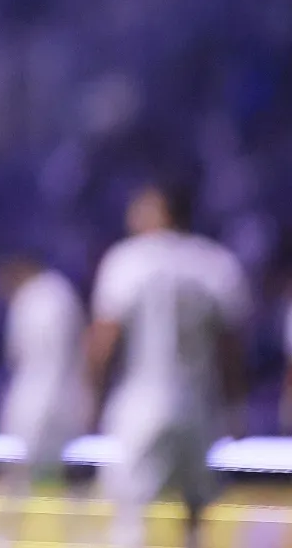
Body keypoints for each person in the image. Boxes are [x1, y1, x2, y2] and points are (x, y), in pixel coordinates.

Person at [88, 183, 249, 548]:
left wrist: (93, 397)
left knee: (130, 516)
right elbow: (230, 349)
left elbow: (104, 340)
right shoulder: (215, 262)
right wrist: (236, 406)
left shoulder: (128, 259)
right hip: (199, 404)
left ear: (162, 211)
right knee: (194, 518)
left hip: (142, 400)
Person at [0, 252, 89, 546]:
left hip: (31, 395)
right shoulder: (63, 292)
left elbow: (17, 354)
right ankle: (78, 536)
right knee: (71, 472)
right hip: (69, 395)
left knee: (14, 472)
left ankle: (2, 535)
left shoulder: (29, 297)